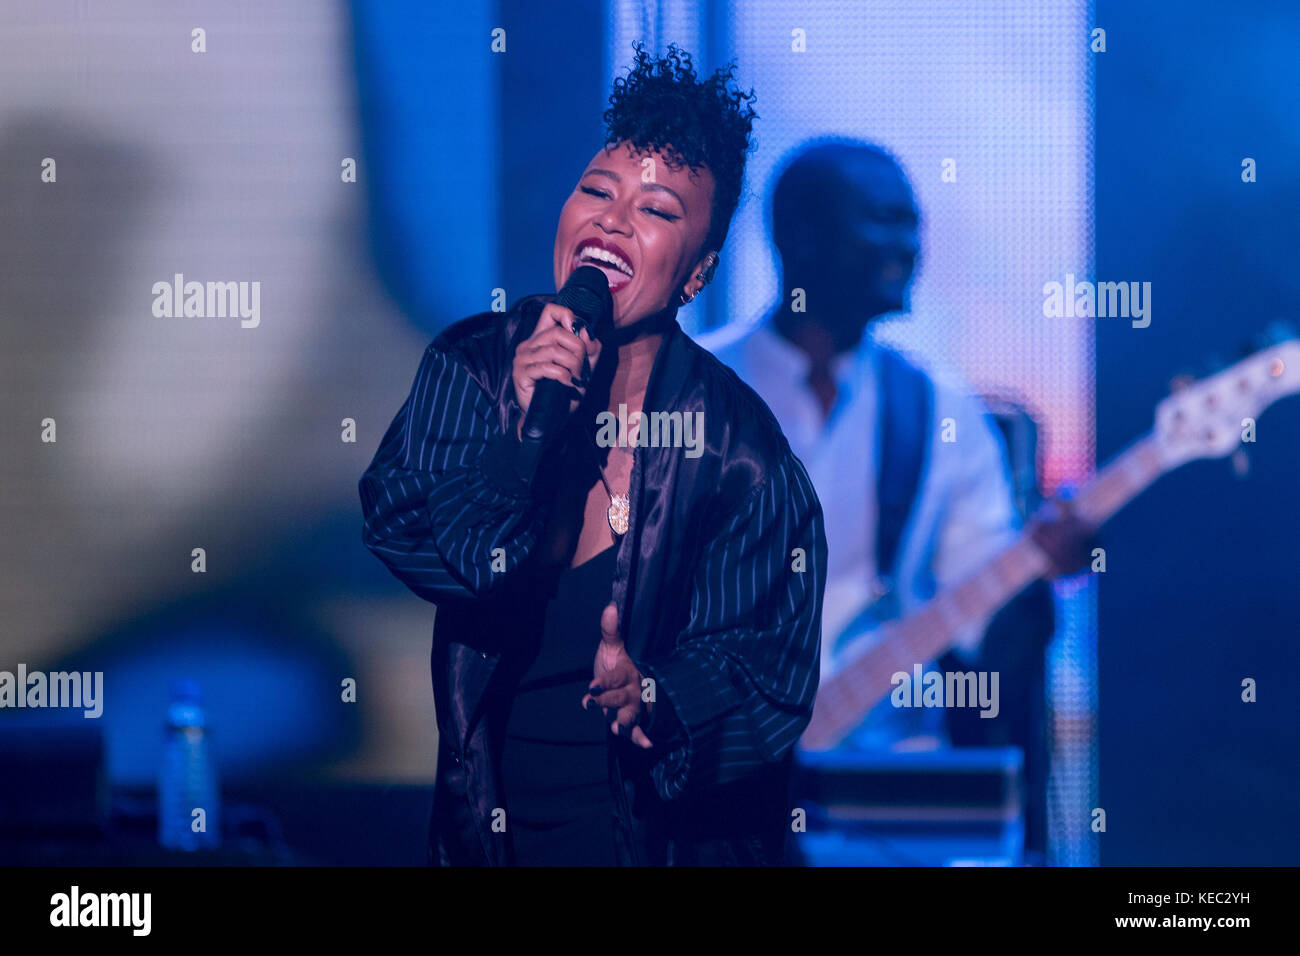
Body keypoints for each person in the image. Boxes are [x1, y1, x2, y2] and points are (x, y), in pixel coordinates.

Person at [358, 44, 826, 866]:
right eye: (597, 192)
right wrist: (522, 444)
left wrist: (655, 693)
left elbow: (770, 672)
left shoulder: (739, 453)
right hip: (489, 839)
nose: (611, 220)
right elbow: (411, 537)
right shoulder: (473, 370)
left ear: (697, 274)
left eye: (655, 211)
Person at [702, 139, 1091, 861]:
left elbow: (987, 630)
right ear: (800, 235)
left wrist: (1040, 574)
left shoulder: (942, 410)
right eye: (883, 222)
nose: (909, 247)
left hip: (891, 792)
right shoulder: (690, 392)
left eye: (913, 224)